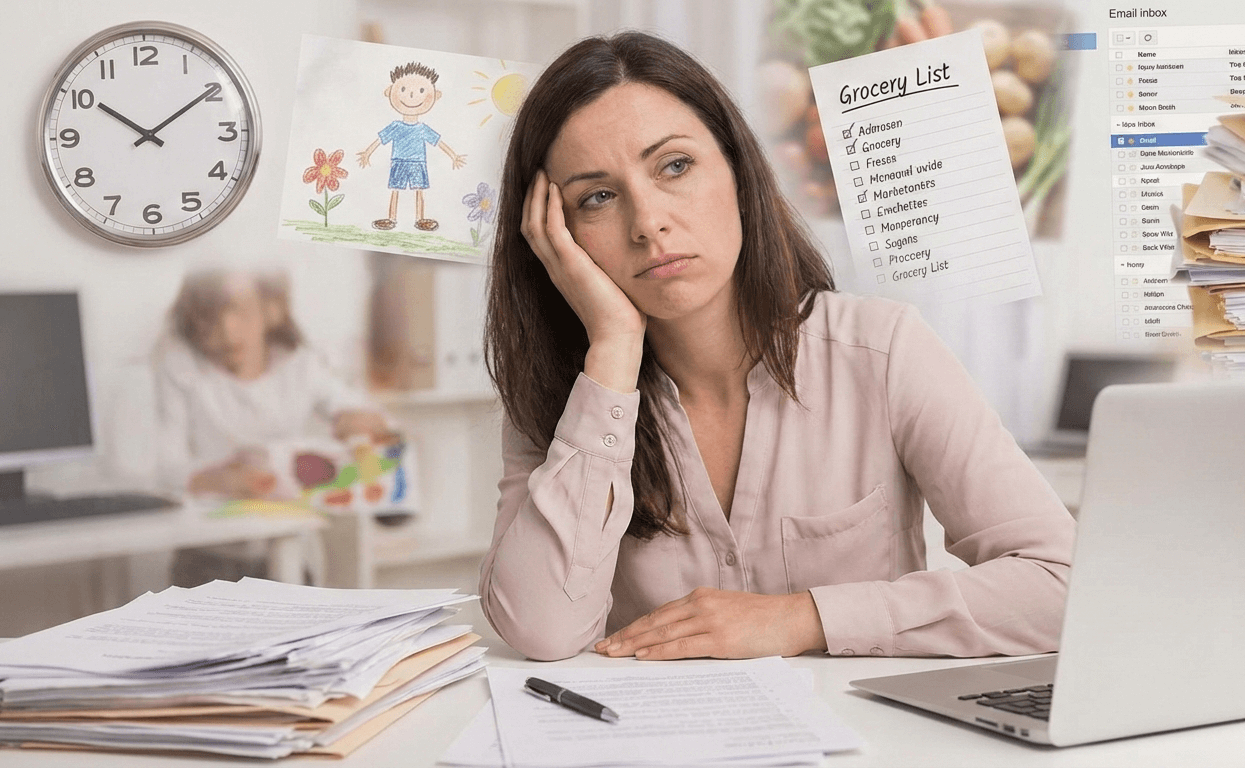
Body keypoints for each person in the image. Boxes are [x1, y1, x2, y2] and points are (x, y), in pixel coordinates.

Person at [479, 32, 1075, 663]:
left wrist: (803, 619)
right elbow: (542, 631)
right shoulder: (565, 398)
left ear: (738, 170)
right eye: (597, 196)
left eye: (674, 166)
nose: (647, 222)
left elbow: (1061, 584)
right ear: (555, 234)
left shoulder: (883, 351)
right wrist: (614, 347)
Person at [154, 268, 390, 499]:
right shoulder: (180, 369)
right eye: (208, 316)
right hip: (211, 519)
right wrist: (215, 480)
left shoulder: (299, 366)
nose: (228, 331)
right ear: (191, 320)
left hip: (287, 518)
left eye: (241, 311)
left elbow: (360, 412)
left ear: (271, 309)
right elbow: (165, 466)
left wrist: (357, 419)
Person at [356, 62, 468, 232]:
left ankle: (420, 219)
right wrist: (367, 153)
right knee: (395, 190)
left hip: (417, 163)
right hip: (398, 162)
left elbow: (438, 142)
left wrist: (453, 156)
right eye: (402, 90)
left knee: (419, 191)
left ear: (436, 96)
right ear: (389, 92)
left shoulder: (423, 129)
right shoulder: (395, 126)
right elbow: (380, 139)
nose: (411, 95)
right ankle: (391, 218)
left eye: (422, 91)